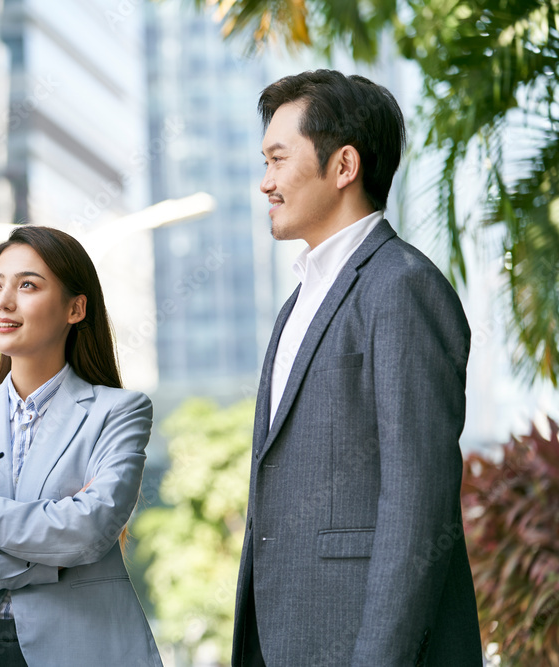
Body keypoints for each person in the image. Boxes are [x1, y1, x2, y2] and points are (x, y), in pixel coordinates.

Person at [232, 69, 483, 666]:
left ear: (343, 166)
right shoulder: (299, 301)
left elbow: (417, 502)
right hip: (285, 639)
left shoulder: (402, 288)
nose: (265, 182)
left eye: (277, 159)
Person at [0, 226, 163, 667]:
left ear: (76, 308)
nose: (4, 302)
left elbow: (88, 531)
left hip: (83, 648)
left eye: (27, 285)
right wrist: (42, 564)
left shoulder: (119, 412)